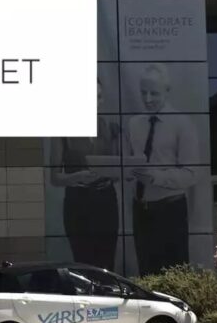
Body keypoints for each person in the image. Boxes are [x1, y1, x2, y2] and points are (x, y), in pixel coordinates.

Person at [124, 63, 197, 275]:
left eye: (154, 93)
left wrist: (155, 177)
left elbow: (192, 173)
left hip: (170, 210)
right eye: (143, 92)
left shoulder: (182, 124)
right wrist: (127, 173)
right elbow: (128, 162)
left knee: (174, 273)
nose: (147, 99)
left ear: (167, 90)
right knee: (146, 272)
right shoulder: (133, 124)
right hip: (141, 211)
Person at [47, 77, 120, 270]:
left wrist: (112, 172)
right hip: (78, 201)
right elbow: (54, 177)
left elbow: (118, 169)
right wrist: (77, 177)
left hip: (106, 199)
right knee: (84, 261)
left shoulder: (108, 127)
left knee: (106, 262)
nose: (96, 102)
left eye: (99, 97)